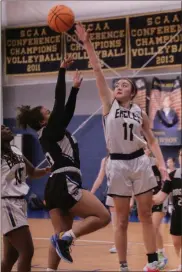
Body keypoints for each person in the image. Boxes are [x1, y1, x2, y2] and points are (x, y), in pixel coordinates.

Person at [75, 22, 169, 271]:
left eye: (124, 85)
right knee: (123, 220)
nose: (119, 86)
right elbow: (97, 70)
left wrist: (160, 163)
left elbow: (151, 139)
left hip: (140, 162)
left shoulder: (140, 112)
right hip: (117, 164)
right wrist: (87, 44)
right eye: (118, 84)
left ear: (133, 93)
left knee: (146, 215)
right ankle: (124, 265)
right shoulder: (109, 104)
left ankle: (152, 261)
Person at [16, 56, 110, 271]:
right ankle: (70, 236)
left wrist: (75, 90)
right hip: (64, 181)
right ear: (42, 121)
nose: (52, 112)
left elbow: (64, 113)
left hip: (53, 187)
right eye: (47, 113)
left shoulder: (51, 131)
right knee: (103, 216)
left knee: (57, 237)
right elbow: (60, 103)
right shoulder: (49, 131)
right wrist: (61, 71)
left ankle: (52, 267)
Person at [1, 125, 51, 272]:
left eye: (6, 127)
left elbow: (33, 172)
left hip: (19, 203)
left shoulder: (16, 150)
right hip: (7, 203)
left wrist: (46, 170)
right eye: (2, 128)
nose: (7, 128)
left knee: (10, 257)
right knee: (27, 251)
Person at [91, 155, 134, 254]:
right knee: (115, 223)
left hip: (124, 192)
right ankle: (117, 244)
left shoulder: (124, 157)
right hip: (112, 193)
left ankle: (124, 245)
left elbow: (130, 179)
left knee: (122, 222)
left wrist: (132, 198)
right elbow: (100, 178)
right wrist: (91, 192)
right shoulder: (105, 160)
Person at [153, 148, 182, 271]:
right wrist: (144, 197)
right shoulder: (173, 176)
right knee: (176, 243)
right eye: (181, 155)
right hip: (177, 215)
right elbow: (160, 197)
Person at [144, 146, 168, 269]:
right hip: (148, 199)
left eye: (146, 148)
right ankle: (161, 253)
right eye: (143, 149)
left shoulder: (156, 162)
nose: (145, 151)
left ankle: (154, 259)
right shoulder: (140, 164)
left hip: (159, 198)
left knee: (153, 227)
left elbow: (165, 178)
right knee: (155, 229)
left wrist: (163, 193)